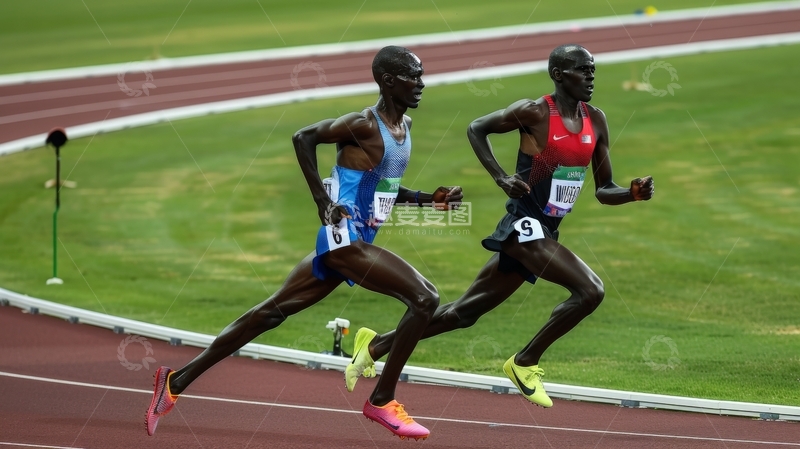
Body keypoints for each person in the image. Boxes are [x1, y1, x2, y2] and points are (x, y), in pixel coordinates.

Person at [145, 45, 462, 441]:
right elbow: (304, 137)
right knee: (425, 298)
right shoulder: (365, 123)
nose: (421, 83)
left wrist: (426, 200)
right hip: (342, 237)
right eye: (412, 76)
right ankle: (382, 400)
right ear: (387, 81)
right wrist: (323, 201)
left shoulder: (405, 128)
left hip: (356, 238)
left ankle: (174, 381)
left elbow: (383, 187)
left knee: (269, 314)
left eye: (421, 75)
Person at [345, 44, 654, 408]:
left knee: (464, 313)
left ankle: (376, 344)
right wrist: (501, 177)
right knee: (590, 291)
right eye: (582, 70)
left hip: (547, 230)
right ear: (558, 74)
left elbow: (604, 189)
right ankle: (524, 362)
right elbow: (477, 129)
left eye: (593, 70)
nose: (590, 76)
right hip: (524, 226)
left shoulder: (595, 120)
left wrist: (631, 194)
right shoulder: (535, 112)